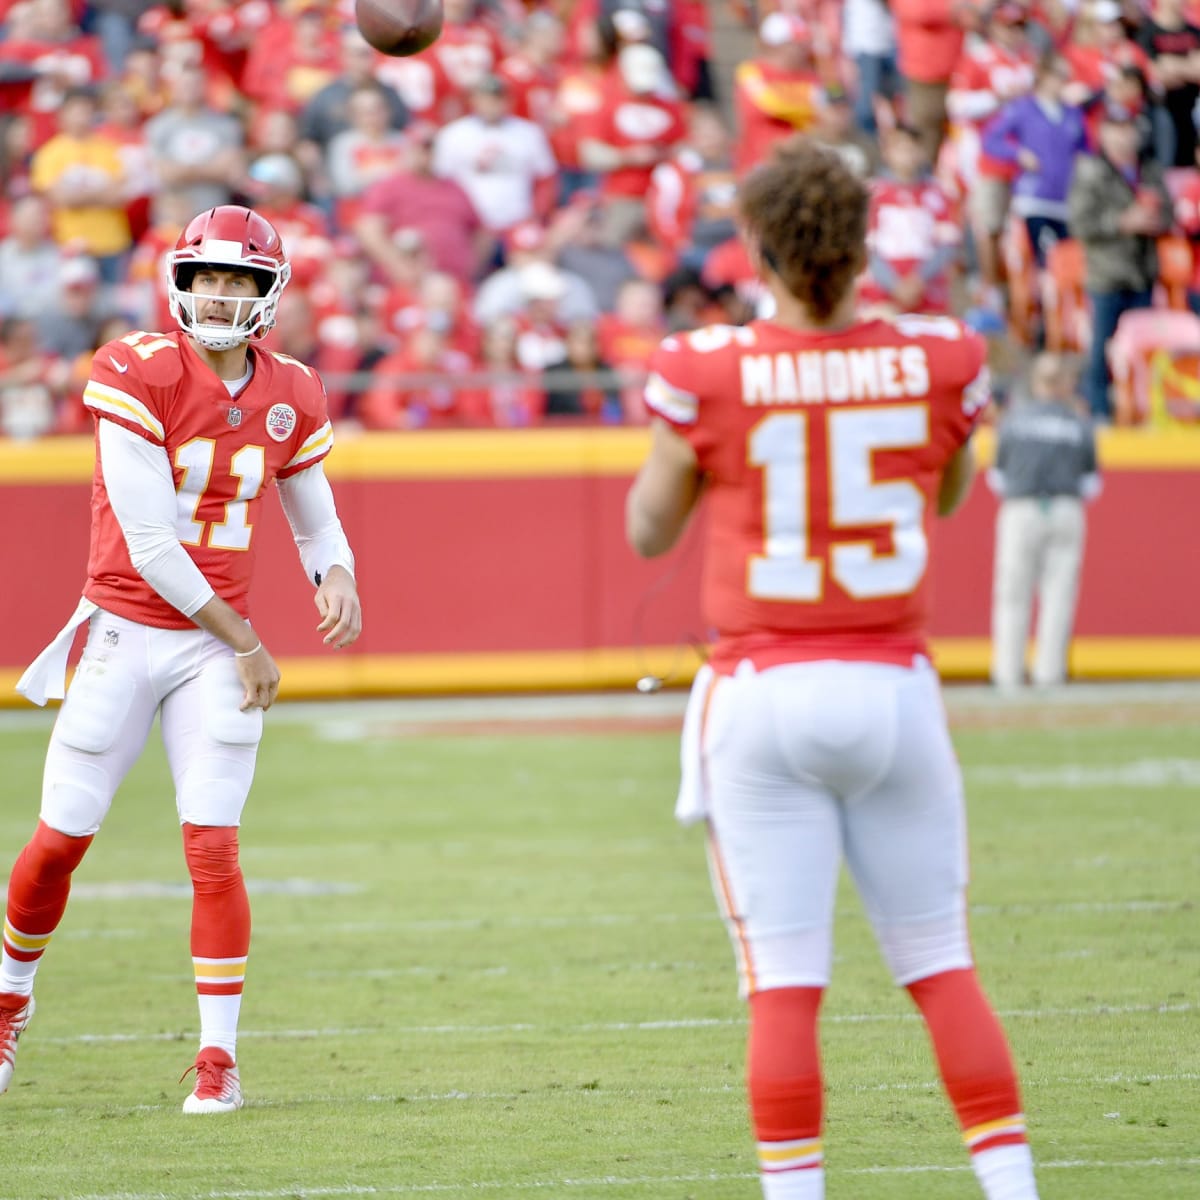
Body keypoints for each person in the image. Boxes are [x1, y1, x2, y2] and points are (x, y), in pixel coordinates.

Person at [625, 137, 1040, 1200]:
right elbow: (942, 499)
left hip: (765, 693)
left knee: (784, 989)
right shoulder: (943, 353)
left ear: (756, 245)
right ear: (864, 247)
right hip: (896, 688)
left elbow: (646, 529)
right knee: (944, 968)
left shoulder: (703, 367)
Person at [0, 205, 362, 1113]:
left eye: (238, 280)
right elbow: (154, 541)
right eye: (205, 277)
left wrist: (338, 572)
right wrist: (249, 642)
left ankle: (217, 1060)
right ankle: (9, 1002)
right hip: (128, 631)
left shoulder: (292, 389)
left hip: (213, 647)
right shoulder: (136, 368)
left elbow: (312, 514)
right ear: (180, 283)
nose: (218, 294)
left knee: (213, 850)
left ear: (267, 293)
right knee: (56, 847)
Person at [990, 354, 1100, 690]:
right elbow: (1091, 481)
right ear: (1065, 384)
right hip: (1065, 507)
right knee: (1058, 594)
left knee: (1012, 595)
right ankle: (1048, 675)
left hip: (1021, 507)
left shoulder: (1014, 420)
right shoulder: (1078, 422)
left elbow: (997, 475)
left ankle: (1007, 674)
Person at [1067, 103, 1170, 419]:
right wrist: (1122, 221)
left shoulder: (1149, 170)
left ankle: (1143, 407)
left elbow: (1169, 213)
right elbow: (1080, 224)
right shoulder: (1089, 171)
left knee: (1142, 345)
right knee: (1102, 347)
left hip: (1143, 272)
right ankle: (1099, 410)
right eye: (1115, 128)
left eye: (1128, 128)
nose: (1123, 137)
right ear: (1103, 133)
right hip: (1107, 275)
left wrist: (1155, 220)